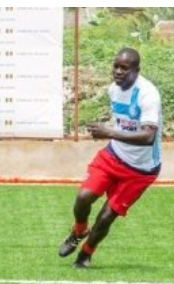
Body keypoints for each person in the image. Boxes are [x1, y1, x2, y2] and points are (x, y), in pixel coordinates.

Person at [58, 48, 163, 268]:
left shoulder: (147, 94)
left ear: (136, 70)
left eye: (124, 68)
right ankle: (78, 231)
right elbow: (121, 123)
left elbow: (148, 137)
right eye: (115, 66)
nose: (118, 72)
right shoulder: (113, 90)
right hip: (113, 155)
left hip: (141, 169)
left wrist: (110, 133)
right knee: (83, 197)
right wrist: (112, 135)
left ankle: (85, 255)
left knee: (106, 216)